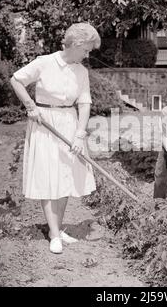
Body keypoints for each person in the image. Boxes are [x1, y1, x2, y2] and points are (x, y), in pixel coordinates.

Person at [10, 23, 100, 254]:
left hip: (69, 123)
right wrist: (31, 106)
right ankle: (53, 233)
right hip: (44, 124)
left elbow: (84, 102)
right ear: (76, 44)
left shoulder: (81, 71)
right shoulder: (44, 62)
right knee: (49, 177)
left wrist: (80, 134)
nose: (88, 55)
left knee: (65, 177)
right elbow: (16, 80)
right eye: (86, 50)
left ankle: (58, 229)